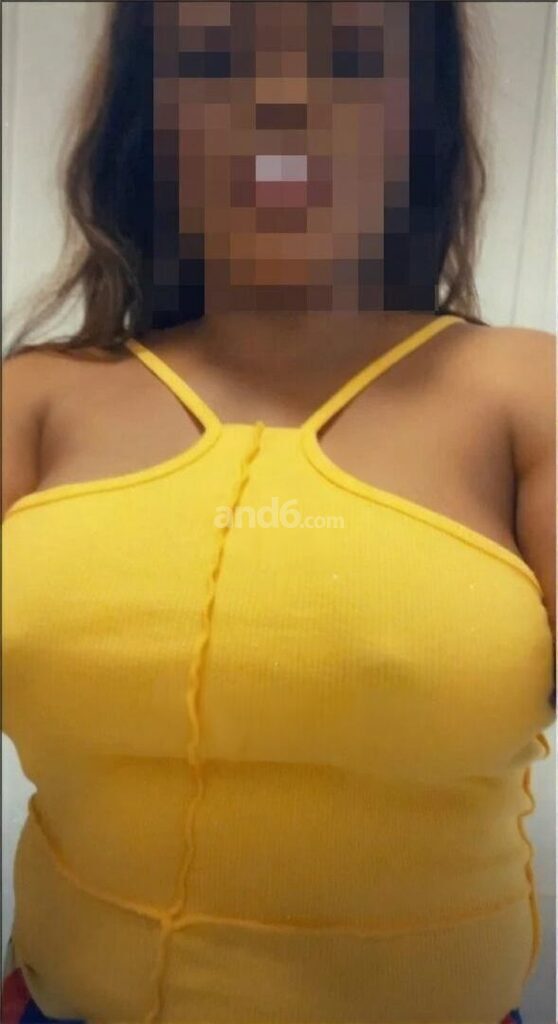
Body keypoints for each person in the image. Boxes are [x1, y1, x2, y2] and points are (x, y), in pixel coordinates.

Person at [2, 2, 555, 1022]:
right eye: (216, 60)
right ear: (150, 116)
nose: (285, 101)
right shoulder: (33, 401)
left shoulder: (528, 396)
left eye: (351, 58)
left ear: (419, 111)